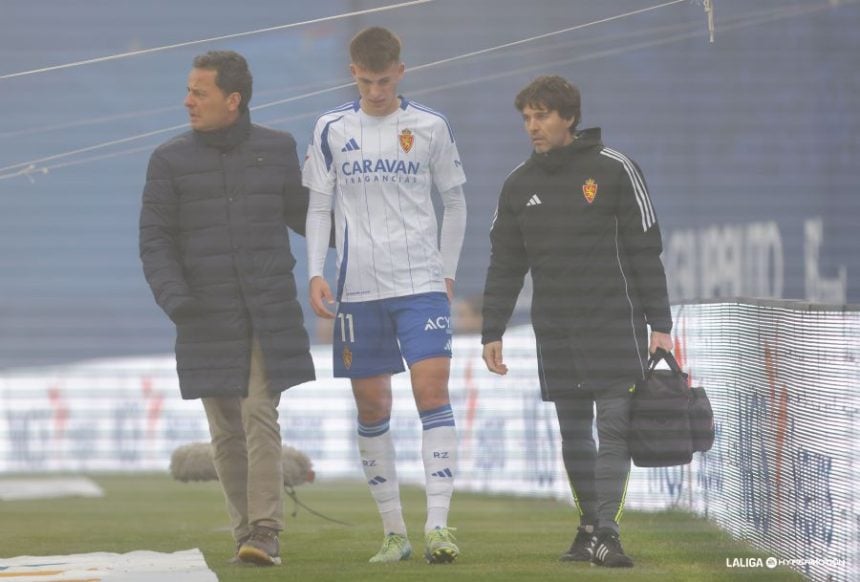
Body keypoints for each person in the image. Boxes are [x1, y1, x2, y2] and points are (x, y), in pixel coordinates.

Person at [480, 75, 673, 568]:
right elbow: (505, 264)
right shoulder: (517, 185)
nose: (532, 127)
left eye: (541, 115)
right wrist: (492, 329)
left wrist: (661, 323)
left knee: (612, 427)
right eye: (526, 118)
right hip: (556, 330)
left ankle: (608, 532)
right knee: (573, 434)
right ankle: (589, 526)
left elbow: (646, 251)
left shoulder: (615, 170)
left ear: (569, 117)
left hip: (614, 322)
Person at [139, 50, 316, 567]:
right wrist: (176, 301)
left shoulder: (279, 149)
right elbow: (155, 243)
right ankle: (248, 532)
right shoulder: (168, 160)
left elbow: (311, 219)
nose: (187, 100)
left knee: (259, 411)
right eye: (189, 90)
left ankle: (265, 529)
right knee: (225, 430)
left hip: (267, 309)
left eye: (200, 92)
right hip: (202, 315)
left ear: (232, 100)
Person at [302, 27, 467, 564]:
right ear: (354, 73)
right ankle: (394, 533)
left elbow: (455, 202)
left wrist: (446, 272)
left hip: (420, 284)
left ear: (400, 70)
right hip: (358, 288)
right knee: (372, 405)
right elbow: (320, 207)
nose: (375, 90)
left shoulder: (430, 126)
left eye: (384, 80)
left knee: (432, 392)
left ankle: (439, 528)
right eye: (366, 80)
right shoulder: (330, 127)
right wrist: (315, 272)